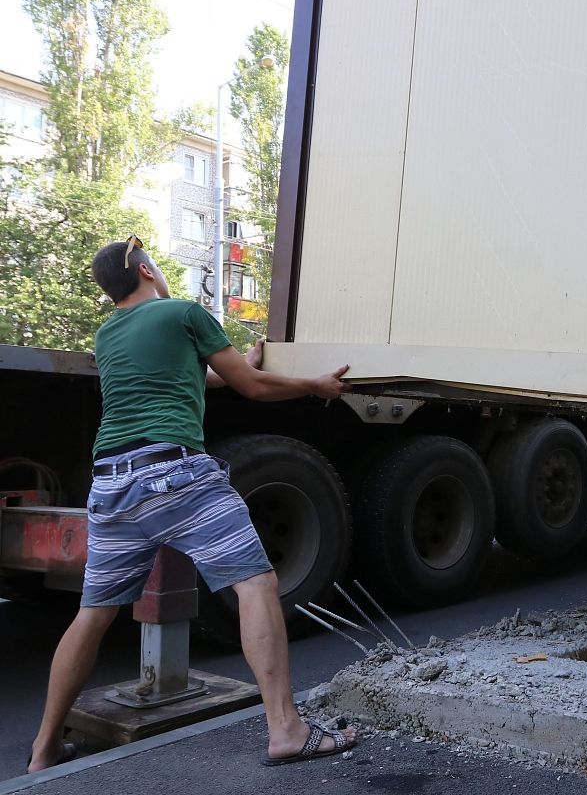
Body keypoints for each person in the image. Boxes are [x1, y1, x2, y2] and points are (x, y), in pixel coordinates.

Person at [27, 238, 357, 773]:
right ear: (144, 268)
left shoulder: (108, 333)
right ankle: (287, 730)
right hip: (175, 476)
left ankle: (43, 751)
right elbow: (251, 388)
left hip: (111, 486)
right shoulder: (183, 311)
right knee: (256, 584)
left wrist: (235, 362)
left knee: (93, 615)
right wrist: (313, 385)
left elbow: (192, 376)